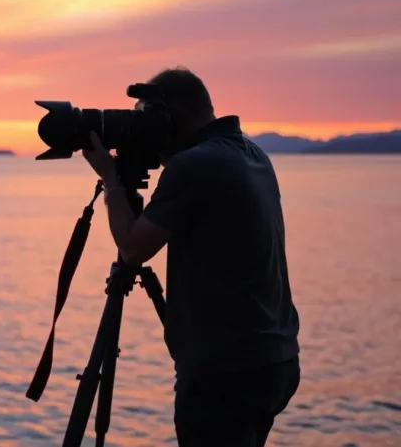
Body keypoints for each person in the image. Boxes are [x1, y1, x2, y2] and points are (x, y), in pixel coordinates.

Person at [81, 67, 301, 447]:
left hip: (225, 371)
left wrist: (112, 179)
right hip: (274, 360)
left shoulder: (197, 165)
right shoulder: (251, 154)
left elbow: (132, 249)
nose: (144, 132)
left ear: (171, 117)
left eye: (146, 119)